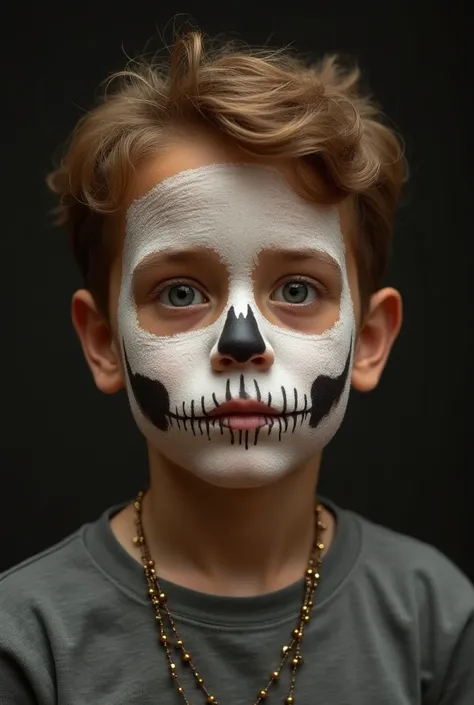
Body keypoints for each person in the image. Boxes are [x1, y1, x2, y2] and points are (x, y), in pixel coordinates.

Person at [1, 29, 473, 705]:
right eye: (180, 292)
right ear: (103, 341)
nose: (241, 341)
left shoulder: (440, 624)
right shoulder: (26, 642)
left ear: (368, 339)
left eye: (299, 290)